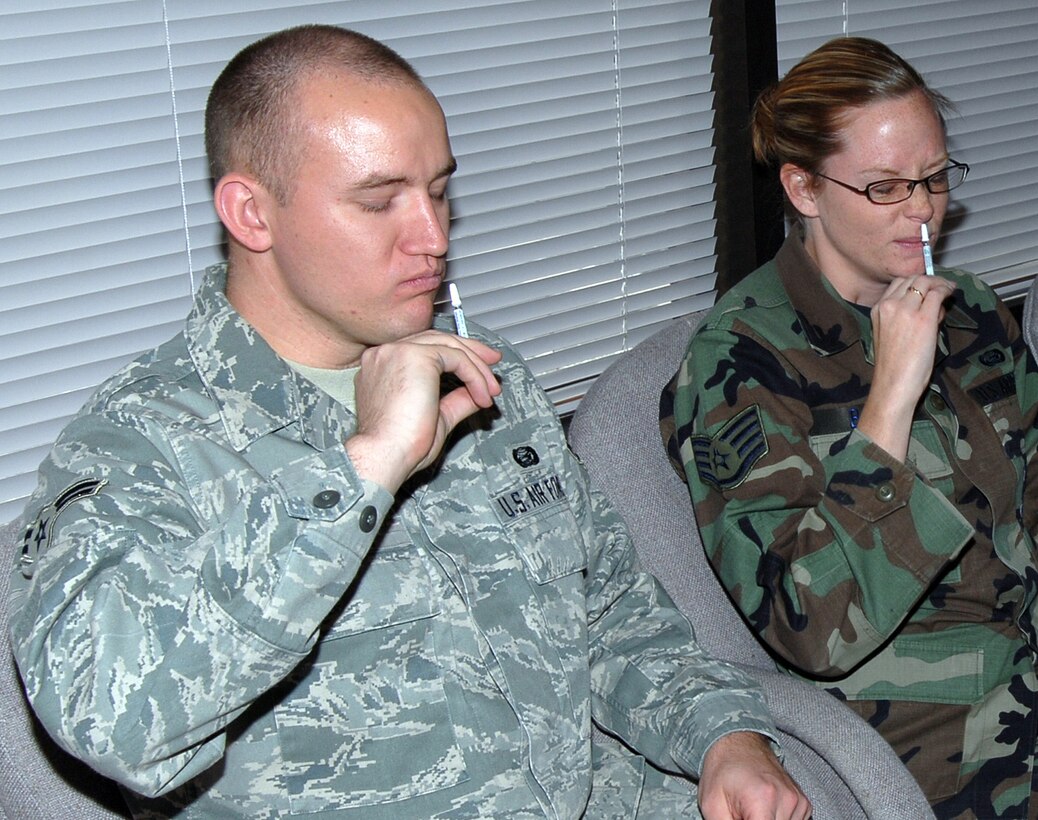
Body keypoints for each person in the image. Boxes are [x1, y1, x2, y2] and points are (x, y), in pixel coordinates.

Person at [9, 24, 810, 820]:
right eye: (380, 199)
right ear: (253, 215)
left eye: (438, 190)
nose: (433, 238)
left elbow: (608, 610)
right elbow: (113, 720)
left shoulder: (481, 373)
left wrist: (724, 738)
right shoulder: (142, 443)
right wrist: (363, 467)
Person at [661, 35, 1038, 820]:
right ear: (803, 188)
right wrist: (890, 401)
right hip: (937, 742)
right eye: (886, 187)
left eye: (935, 178)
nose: (923, 208)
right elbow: (809, 629)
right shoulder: (741, 363)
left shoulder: (968, 308)